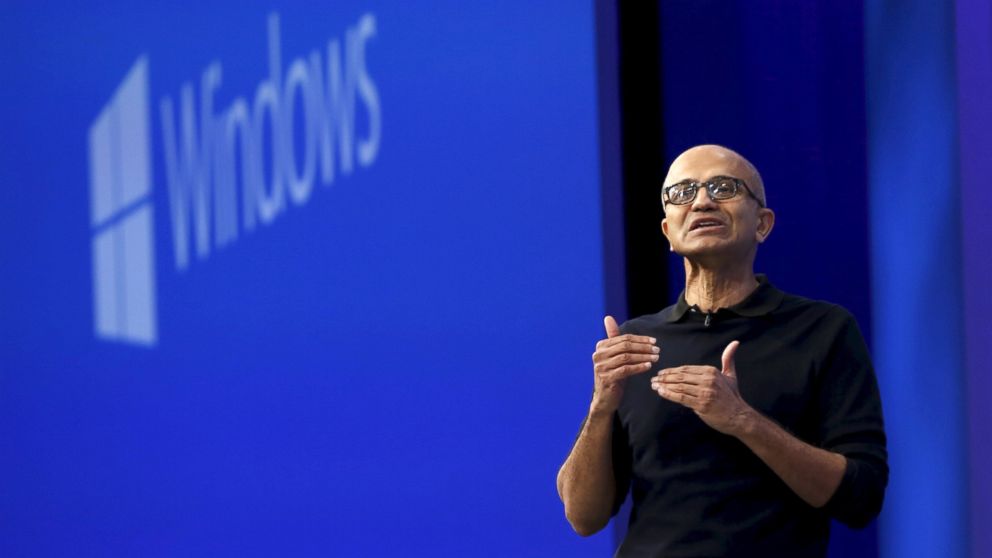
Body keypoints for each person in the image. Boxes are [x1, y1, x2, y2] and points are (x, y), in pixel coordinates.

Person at [556, 145, 887, 557]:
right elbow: (583, 517)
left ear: (762, 224)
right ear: (668, 232)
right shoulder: (637, 342)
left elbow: (862, 497)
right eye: (682, 192)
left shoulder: (823, 330)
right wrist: (601, 407)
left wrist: (742, 420)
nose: (701, 201)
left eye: (723, 187)